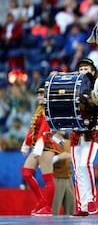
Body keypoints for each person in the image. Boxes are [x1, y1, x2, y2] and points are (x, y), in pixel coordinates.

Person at [20, 83, 62, 216]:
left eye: (43, 94)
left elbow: (44, 130)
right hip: (38, 145)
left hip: (47, 146)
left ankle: (48, 208)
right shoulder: (39, 109)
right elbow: (33, 129)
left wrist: (38, 145)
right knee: (26, 172)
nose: (40, 96)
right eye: (39, 93)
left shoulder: (50, 110)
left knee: (47, 178)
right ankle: (41, 200)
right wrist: (26, 143)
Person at [70, 58, 98, 216]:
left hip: (92, 131)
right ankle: (81, 205)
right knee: (77, 169)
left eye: (86, 69)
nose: (83, 72)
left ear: (93, 71)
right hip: (76, 132)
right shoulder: (72, 88)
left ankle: (91, 200)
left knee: (86, 163)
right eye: (81, 69)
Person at [52, 132, 76, 215]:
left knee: (71, 208)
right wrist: (59, 157)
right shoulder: (49, 143)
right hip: (56, 178)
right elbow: (43, 163)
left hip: (68, 178)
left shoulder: (68, 143)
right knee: (54, 209)